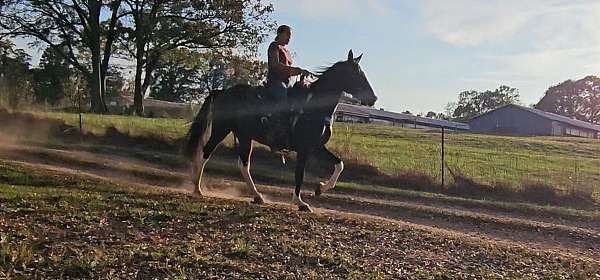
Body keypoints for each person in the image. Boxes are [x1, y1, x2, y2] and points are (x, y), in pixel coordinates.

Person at [263, 24, 311, 151]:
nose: (289, 38)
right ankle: (273, 132)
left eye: (290, 36)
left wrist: (301, 76)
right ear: (280, 33)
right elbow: (276, 66)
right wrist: (297, 70)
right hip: (276, 82)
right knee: (282, 95)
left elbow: (289, 71)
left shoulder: (287, 52)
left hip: (287, 83)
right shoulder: (274, 46)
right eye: (287, 35)